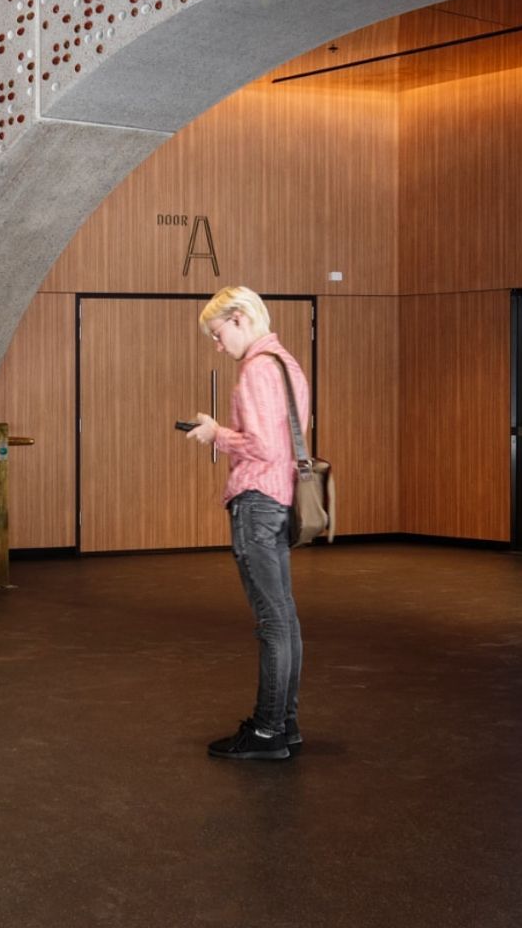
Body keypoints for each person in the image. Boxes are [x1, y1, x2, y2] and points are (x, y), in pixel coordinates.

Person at [183, 285, 312, 761]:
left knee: (272, 621)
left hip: (256, 501)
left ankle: (266, 731)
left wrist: (216, 433)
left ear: (239, 317)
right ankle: (284, 724)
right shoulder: (286, 363)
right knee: (284, 618)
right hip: (280, 500)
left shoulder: (257, 369)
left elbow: (262, 446)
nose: (219, 346)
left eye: (218, 334)